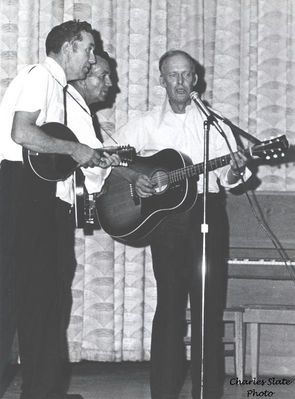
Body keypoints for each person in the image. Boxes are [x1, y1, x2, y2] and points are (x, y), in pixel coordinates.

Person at [111, 50, 251, 399]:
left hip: (209, 213)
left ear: (195, 80)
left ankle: (208, 392)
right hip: (168, 222)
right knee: (170, 305)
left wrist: (233, 170)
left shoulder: (216, 123)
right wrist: (134, 176)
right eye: (172, 75)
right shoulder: (145, 123)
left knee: (208, 307)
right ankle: (163, 390)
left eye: (185, 75)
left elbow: (233, 177)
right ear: (161, 81)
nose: (179, 82)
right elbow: (106, 153)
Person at [0, 21, 119, 399]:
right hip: (24, 192)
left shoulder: (60, 88)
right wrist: (74, 150)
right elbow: (23, 133)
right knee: (25, 298)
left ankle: (42, 391)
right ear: (67, 48)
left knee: (44, 300)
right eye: (87, 49)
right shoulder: (39, 75)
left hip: (43, 198)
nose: (90, 59)